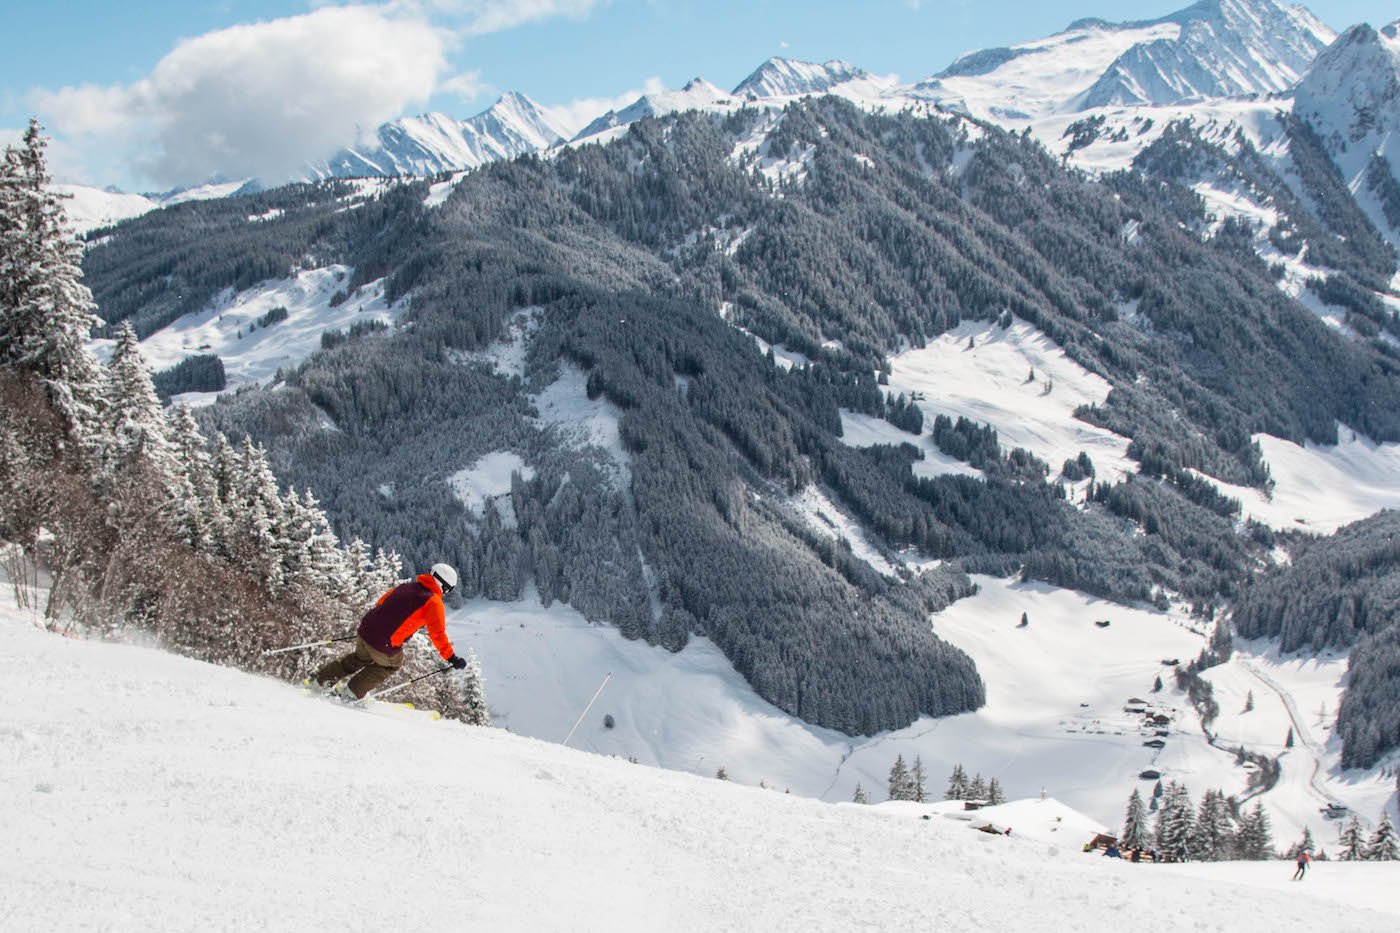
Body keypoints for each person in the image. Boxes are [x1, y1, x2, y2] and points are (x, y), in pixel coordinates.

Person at [315, 563, 468, 699]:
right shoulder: (434, 602)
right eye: (448, 590)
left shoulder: (406, 586)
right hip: (384, 643)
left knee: (359, 658)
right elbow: (437, 634)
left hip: (365, 629)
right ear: (444, 586)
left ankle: (321, 680)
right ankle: (351, 693)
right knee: (392, 664)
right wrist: (452, 658)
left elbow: (382, 602)